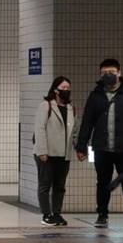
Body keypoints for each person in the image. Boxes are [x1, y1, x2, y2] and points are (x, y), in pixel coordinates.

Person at [76, 59, 123, 229]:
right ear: (100, 74)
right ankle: (102, 215)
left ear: (119, 73)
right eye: (104, 72)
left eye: (111, 72)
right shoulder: (96, 95)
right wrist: (81, 146)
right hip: (101, 148)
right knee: (102, 183)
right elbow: (87, 122)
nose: (108, 75)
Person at [33, 77, 75, 227]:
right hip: (47, 153)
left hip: (64, 154)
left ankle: (57, 213)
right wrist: (42, 151)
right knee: (45, 184)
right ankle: (46, 214)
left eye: (68, 88)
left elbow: (73, 131)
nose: (66, 91)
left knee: (60, 186)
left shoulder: (70, 107)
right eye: (63, 88)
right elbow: (39, 128)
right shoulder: (46, 106)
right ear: (55, 90)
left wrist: (78, 148)